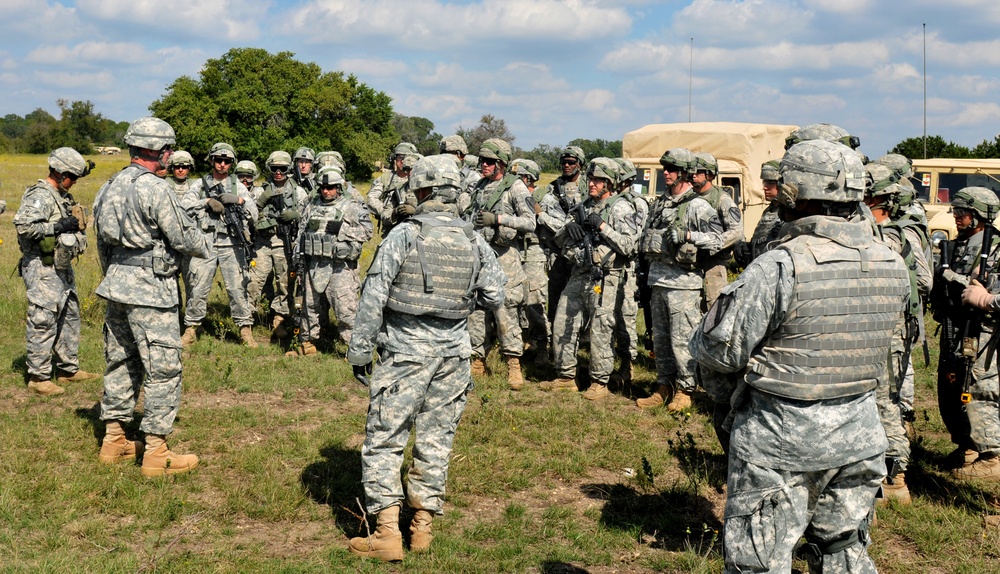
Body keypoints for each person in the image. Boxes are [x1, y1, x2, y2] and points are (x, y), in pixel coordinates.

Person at [690, 139, 909, 573]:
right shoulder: (890, 262)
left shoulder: (781, 265)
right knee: (844, 551)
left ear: (792, 194)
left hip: (783, 438)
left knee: (759, 561)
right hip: (861, 436)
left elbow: (717, 350)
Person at [346, 154, 505, 561]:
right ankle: (422, 528)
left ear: (422, 191)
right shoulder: (474, 239)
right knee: (436, 438)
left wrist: (361, 349)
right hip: (454, 354)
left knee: (385, 437)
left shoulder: (404, 235)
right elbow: (495, 296)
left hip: (405, 352)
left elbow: (374, 294)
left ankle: (385, 533)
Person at [92, 116, 211, 476]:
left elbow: (100, 242)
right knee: (164, 368)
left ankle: (114, 440)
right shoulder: (156, 189)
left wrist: (115, 274)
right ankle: (157, 452)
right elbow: (185, 240)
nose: (171, 155)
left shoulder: (108, 186)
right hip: (151, 291)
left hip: (116, 284)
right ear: (152, 149)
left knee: (121, 360)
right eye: (168, 149)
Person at [541, 158, 639, 400]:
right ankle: (565, 376)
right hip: (578, 273)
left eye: (598, 180)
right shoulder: (583, 205)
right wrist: (568, 230)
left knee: (601, 329)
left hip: (605, 277)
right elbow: (560, 240)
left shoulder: (621, 208)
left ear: (610, 183)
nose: (592, 184)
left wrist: (603, 226)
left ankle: (599, 381)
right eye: (591, 179)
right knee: (563, 321)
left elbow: (629, 245)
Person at [636, 148, 723, 411]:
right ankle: (665, 385)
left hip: (684, 285)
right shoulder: (660, 203)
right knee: (660, 340)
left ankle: (686, 390)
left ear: (684, 173)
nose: (666, 173)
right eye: (665, 169)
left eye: (671, 169)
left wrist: (690, 237)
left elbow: (719, 238)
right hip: (658, 281)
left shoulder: (696, 205)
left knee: (682, 339)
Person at [865, 164, 929, 504]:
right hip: (876, 328)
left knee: (885, 401)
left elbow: (918, 283)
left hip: (891, 330)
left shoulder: (892, 236)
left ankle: (895, 477)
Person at [14, 147, 98, 396]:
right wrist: (58, 226)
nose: (74, 182)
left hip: (61, 266)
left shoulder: (61, 195)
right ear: (59, 172)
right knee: (43, 319)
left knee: (69, 316)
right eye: (72, 176)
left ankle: (68, 369)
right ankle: (38, 377)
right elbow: (24, 227)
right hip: (42, 265)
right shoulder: (40, 195)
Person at [930, 186, 1000, 479]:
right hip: (953, 326)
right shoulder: (957, 244)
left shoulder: (994, 247)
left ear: (979, 215)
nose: (956, 217)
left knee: (978, 389)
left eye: (963, 212)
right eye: (956, 211)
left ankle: (992, 454)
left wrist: (958, 281)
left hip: (981, 329)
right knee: (951, 388)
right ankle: (968, 443)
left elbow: (991, 290)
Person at [465, 138, 536, 389]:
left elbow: (530, 222)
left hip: (505, 259)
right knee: (476, 310)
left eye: (489, 161)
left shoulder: (515, 188)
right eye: (482, 160)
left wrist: (499, 218)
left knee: (506, 311)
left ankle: (513, 364)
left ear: (501, 164)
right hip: (480, 256)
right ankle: (478, 360)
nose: (483, 165)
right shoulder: (478, 186)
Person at [180, 142, 259, 347]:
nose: (222, 164)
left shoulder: (238, 185)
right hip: (204, 243)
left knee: (237, 289)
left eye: (227, 161)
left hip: (231, 244)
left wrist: (239, 200)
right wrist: (205, 202)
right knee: (198, 288)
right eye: (219, 160)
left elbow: (254, 215)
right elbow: (183, 208)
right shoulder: (199, 184)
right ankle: (191, 329)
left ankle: (245, 330)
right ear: (212, 160)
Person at [287, 166, 372, 356]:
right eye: (323, 187)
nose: (326, 191)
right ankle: (307, 343)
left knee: (345, 309)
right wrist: (297, 256)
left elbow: (368, 231)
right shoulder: (312, 205)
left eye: (331, 187)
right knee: (310, 306)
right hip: (313, 264)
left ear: (339, 188)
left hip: (339, 267)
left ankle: (355, 350)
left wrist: (341, 233)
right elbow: (302, 231)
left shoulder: (351, 207)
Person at [247, 151, 307, 339]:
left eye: (282, 169)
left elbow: (308, 215)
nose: (278, 172)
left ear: (289, 169)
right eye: (275, 169)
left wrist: (296, 215)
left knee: (284, 283)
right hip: (263, 242)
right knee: (254, 281)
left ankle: (278, 320)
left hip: (285, 242)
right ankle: (246, 321)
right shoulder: (260, 191)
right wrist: (261, 202)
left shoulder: (298, 191)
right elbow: (249, 214)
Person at [511, 158, 564, 366]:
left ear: (527, 178)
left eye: (517, 178)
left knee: (534, 301)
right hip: (515, 250)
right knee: (515, 301)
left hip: (535, 251)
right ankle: (524, 342)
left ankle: (542, 347)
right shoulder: (511, 196)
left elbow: (562, 225)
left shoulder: (546, 198)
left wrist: (540, 214)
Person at [611, 158, 648, 385]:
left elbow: (636, 239)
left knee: (626, 318)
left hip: (629, 267)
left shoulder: (637, 203)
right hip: (610, 268)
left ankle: (628, 365)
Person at [691, 152, 743, 310]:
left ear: (710, 175)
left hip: (714, 264)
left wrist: (712, 243)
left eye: (698, 172)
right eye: (691, 171)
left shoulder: (722, 200)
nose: (693, 175)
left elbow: (736, 232)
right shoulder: (689, 198)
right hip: (691, 264)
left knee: (714, 307)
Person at [546, 146, 588, 326]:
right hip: (559, 247)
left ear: (580, 164)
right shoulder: (554, 187)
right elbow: (546, 214)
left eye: (571, 162)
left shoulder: (589, 186)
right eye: (563, 162)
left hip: (582, 248)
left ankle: (585, 331)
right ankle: (555, 327)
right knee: (556, 291)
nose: (566, 166)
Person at [368, 142, 417, 234]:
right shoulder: (386, 178)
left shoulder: (419, 179)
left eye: (406, 158)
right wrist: (389, 213)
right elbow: (371, 198)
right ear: (395, 158)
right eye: (400, 158)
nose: (403, 161)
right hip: (391, 230)